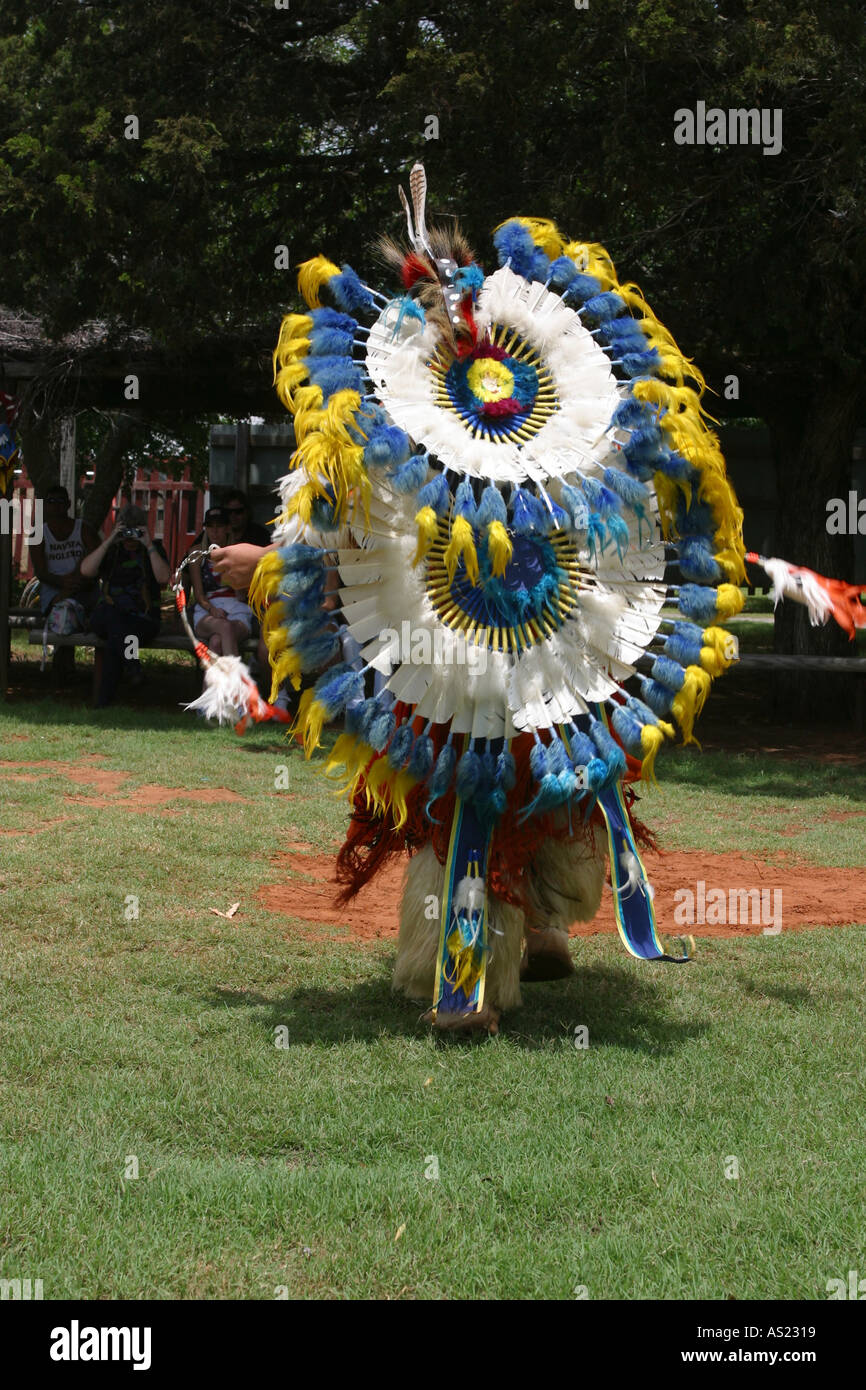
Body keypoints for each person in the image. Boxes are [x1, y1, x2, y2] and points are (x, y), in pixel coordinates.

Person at [80, 503, 170, 707]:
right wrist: (110, 540)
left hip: (142, 619)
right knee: (115, 619)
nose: (131, 539)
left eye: (135, 532)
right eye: (127, 532)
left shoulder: (153, 549)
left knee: (116, 636)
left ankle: (103, 702)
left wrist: (148, 545)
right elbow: (86, 571)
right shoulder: (112, 551)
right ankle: (133, 667)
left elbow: (164, 578)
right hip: (107, 615)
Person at [28, 485, 99, 677]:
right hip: (54, 588)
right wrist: (63, 584)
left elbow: (97, 560)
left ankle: (69, 667)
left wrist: (76, 584)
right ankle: (63, 667)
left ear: (68, 504)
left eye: (61, 501)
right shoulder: (38, 534)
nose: (56, 506)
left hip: (83, 585)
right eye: (51, 502)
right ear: (45, 506)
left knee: (84, 609)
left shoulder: (83, 529)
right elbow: (41, 572)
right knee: (64, 609)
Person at [189, 506, 253, 657]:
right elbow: (198, 594)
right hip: (208, 609)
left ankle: (214, 681)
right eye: (210, 526)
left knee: (216, 643)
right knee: (224, 627)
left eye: (219, 526)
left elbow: (242, 595)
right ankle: (236, 677)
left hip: (237, 608)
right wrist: (213, 610)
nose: (214, 531)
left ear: (228, 528)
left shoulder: (239, 551)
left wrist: (230, 569)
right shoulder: (196, 553)